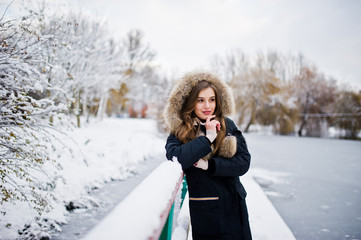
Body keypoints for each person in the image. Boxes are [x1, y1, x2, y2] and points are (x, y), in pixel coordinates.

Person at [164, 71, 252, 240]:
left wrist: (209, 165)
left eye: (212, 100)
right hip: (207, 210)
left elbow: (244, 162)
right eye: (200, 100)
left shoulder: (228, 124)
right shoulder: (180, 131)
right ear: (190, 103)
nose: (207, 106)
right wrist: (208, 138)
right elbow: (177, 158)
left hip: (235, 206)